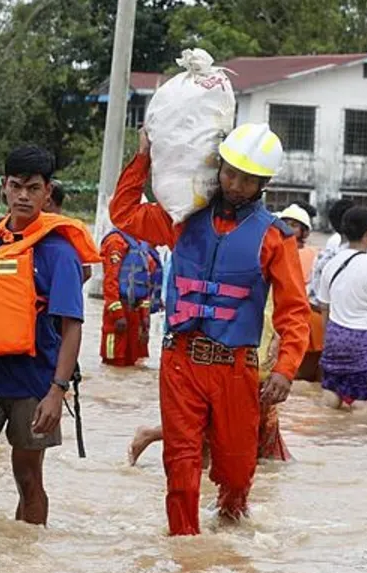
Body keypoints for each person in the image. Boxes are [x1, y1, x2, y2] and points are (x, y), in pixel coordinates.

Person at [110, 123, 310, 536]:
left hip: (235, 368)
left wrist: (285, 369)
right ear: (218, 168)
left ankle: (230, 530)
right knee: (181, 466)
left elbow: (294, 311)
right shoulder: (182, 220)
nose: (235, 185)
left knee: (236, 470)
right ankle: (184, 550)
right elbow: (123, 213)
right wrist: (142, 157)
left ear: (264, 184)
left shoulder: (276, 238)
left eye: (247, 179)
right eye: (230, 173)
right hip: (180, 361)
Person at [0, 146, 101, 526]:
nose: (23, 195)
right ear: (3, 186)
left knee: (28, 477)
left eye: (33, 188)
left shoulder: (59, 252)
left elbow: (72, 326)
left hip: (35, 382)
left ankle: (28, 549)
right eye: (16, 186)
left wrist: (57, 391)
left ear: (47, 192)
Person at [317, 207, 367, 409]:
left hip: (335, 338)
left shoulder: (330, 264)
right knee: (363, 403)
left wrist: (329, 340)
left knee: (330, 397)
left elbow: (324, 308)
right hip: (365, 342)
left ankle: (324, 430)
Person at [99, 226, 161, 367]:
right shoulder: (115, 241)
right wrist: (118, 314)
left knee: (135, 360)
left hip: (137, 312)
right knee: (115, 360)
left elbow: (146, 282)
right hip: (119, 309)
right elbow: (110, 281)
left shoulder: (142, 245)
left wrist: (145, 316)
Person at [279, 203, 324, 381]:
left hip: (306, 314)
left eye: (293, 225)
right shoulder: (272, 249)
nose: (288, 228)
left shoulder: (313, 254)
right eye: (285, 223)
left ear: (303, 231)